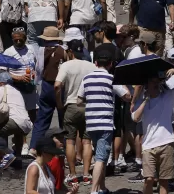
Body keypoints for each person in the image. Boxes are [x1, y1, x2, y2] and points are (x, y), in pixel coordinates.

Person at [131, 68, 174, 194]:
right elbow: (135, 118)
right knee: (149, 179)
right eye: (152, 81)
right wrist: (146, 100)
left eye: (158, 81)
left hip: (166, 143)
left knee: (164, 181)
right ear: (147, 85)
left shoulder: (167, 97)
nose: (156, 84)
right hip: (148, 146)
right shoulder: (142, 102)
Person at [55, 38, 96, 185]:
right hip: (88, 106)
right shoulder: (92, 66)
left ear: (70, 52)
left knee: (70, 141)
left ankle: (72, 174)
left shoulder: (66, 66)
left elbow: (57, 85)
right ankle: (86, 174)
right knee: (86, 141)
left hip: (71, 105)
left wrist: (59, 103)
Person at [77, 45, 116, 194]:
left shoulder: (86, 78)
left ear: (95, 63)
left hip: (91, 123)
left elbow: (79, 100)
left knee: (100, 155)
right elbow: (125, 95)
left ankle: (102, 187)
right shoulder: (111, 78)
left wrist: (92, 101)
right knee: (101, 157)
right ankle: (94, 190)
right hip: (105, 123)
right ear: (110, 64)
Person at [30, 27, 69, 154]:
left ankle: (34, 147)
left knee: (42, 119)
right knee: (64, 119)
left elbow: (39, 69)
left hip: (47, 85)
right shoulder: (63, 51)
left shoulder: (41, 50)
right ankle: (65, 147)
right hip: (60, 86)